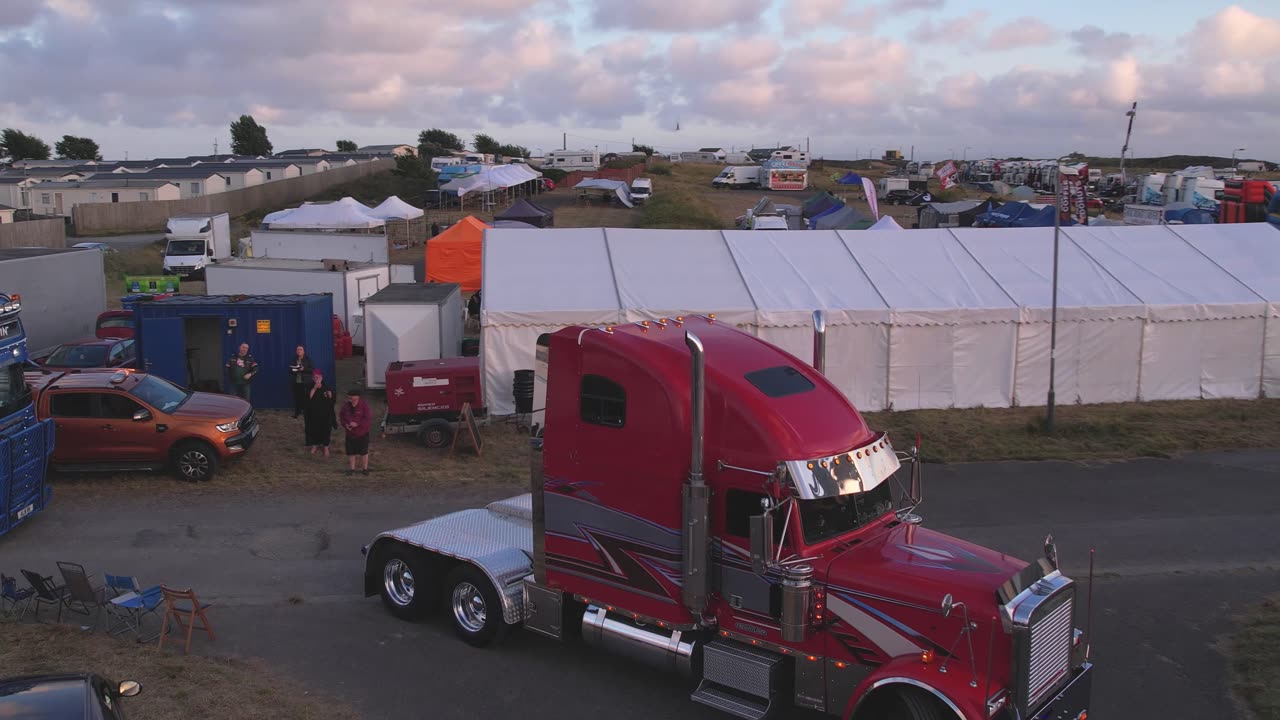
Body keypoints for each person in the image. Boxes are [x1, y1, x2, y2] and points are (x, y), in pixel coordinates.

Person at [303, 369, 337, 456]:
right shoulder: (309, 386)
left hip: (326, 414)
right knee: (314, 429)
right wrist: (314, 388)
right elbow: (308, 398)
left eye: (317, 377)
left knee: (326, 430)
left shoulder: (327, 386)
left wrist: (330, 395)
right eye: (314, 377)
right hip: (314, 413)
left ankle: (325, 446)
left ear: (321, 377)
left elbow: (332, 400)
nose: (316, 379)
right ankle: (315, 445)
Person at [339, 388, 372, 475]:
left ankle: (365, 469)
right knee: (351, 452)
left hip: (362, 433)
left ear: (357, 397)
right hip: (350, 434)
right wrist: (345, 424)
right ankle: (352, 469)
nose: (349, 399)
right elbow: (341, 416)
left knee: (364, 452)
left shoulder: (364, 405)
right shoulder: (346, 406)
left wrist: (358, 424)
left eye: (351, 397)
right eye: (348, 397)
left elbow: (367, 418)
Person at [289, 345, 314, 419]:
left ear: (303, 351)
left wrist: (303, 369)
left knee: (306, 398)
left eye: (300, 349)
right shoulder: (294, 359)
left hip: (305, 382)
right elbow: (290, 370)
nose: (299, 351)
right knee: (297, 398)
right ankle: (297, 413)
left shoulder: (308, 359)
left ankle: (307, 413)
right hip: (296, 383)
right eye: (297, 350)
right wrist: (294, 370)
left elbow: (312, 370)